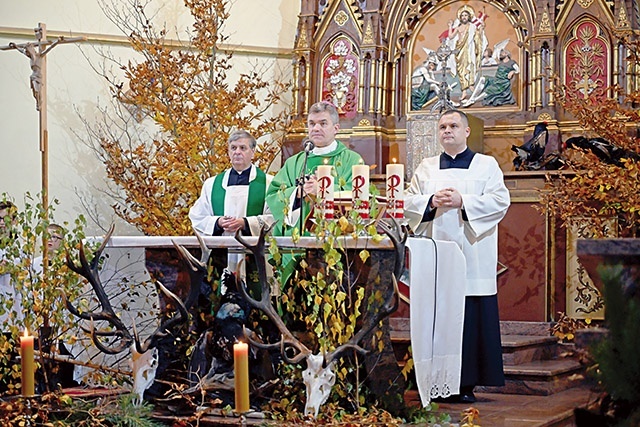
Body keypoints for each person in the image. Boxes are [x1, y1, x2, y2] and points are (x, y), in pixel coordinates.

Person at [405, 109, 511, 403]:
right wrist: (430, 201)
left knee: (468, 320)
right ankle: (433, 380)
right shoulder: (425, 168)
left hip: (471, 258)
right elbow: (408, 201)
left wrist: (463, 200)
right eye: (442, 127)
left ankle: (464, 384)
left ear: (467, 132)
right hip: (435, 259)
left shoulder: (486, 165)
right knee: (437, 317)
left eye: (453, 125)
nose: (447, 130)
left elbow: (501, 201)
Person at [266, 101, 363, 236]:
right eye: (312, 124)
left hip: (337, 240)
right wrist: (297, 193)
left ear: (336, 128)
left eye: (323, 123)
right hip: (296, 240)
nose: (316, 128)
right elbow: (273, 195)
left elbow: (359, 196)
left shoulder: (352, 160)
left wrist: (323, 190)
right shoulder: (294, 162)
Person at [189, 129, 274, 283]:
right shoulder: (212, 184)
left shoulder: (269, 183)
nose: (237, 152)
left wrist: (246, 223)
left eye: (243, 148)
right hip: (221, 253)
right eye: (233, 148)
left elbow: (276, 218)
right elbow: (197, 217)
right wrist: (218, 222)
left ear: (253, 152)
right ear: (228, 152)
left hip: (254, 253)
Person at [443, 5, 488, 103]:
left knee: (470, 67)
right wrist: (450, 26)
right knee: (461, 70)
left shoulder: (472, 26)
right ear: (460, 17)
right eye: (462, 15)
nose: (464, 17)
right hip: (459, 50)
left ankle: (471, 86)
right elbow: (450, 37)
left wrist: (481, 28)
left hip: (469, 50)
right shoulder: (458, 27)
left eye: (466, 15)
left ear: (469, 17)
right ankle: (464, 91)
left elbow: (478, 36)